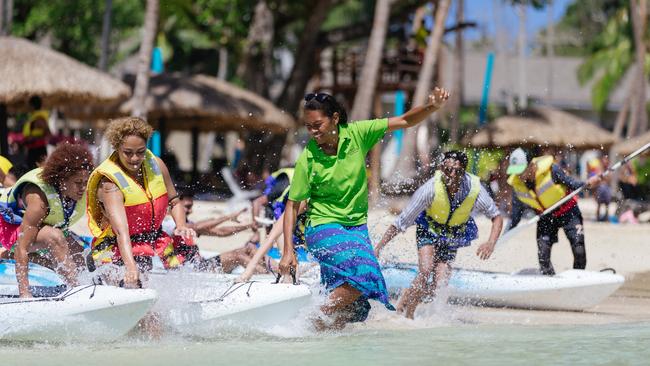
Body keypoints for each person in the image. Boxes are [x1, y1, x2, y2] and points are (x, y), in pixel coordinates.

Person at [279, 88, 450, 330]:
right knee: (364, 275)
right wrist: (288, 251)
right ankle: (311, 318)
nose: (312, 131)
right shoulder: (308, 157)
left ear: (335, 118)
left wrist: (431, 107)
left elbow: (404, 120)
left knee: (353, 308)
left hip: (356, 229)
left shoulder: (358, 134)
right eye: (308, 126)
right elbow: (293, 204)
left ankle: (316, 339)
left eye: (317, 124)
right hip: (321, 227)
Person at [374, 151, 503, 319]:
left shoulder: (475, 189)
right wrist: (379, 247)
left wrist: (491, 243)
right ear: (442, 168)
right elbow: (402, 221)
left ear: (464, 171)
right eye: (448, 169)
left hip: (452, 235)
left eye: (457, 171)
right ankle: (408, 315)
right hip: (429, 228)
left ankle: (408, 295)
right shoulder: (429, 189)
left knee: (439, 285)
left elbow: (497, 216)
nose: (452, 175)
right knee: (425, 270)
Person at [86, 117, 194, 288]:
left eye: (141, 152)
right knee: (134, 287)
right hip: (115, 251)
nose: (135, 158)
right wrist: (130, 268)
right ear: (117, 148)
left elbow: (174, 201)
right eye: (127, 152)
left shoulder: (157, 165)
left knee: (154, 287)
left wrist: (181, 225)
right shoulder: (110, 184)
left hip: (147, 244)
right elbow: (122, 233)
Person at [0, 143, 94, 297]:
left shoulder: (76, 190)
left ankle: (85, 287)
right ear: (62, 179)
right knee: (55, 237)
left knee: (78, 251)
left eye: (85, 182)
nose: (83, 188)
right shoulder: (39, 199)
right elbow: (22, 247)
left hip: (39, 225)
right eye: (78, 183)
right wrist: (25, 293)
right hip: (7, 227)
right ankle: (77, 291)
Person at [505, 148, 601, 275]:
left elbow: (572, 183)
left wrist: (587, 184)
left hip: (569, 212)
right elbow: (514, 218)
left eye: (521, 171)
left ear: (532, 166)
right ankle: (550, 280)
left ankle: (578, 278)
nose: (519, 176)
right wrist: (501, 237)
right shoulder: (518, 187)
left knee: (579, 250)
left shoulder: (552, 170)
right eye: (515, 172)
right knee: (543, 257)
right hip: (546, 218)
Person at [162, 192, 266, 273]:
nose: (190, 211)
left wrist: (248, 225)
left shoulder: (187, 223)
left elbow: (220, 232)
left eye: (191, 207)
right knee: (238, 256)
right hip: (187, 270)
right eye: (187, 207)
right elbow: (197, 226)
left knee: (248, 249)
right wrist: (228, 217)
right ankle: (267, 277)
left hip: (200, 265)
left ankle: (276, 271)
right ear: (175, 207)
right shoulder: (168, 223)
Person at [23, 97, 52, 169]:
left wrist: (34, 138)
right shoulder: (34, 117)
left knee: (37, 171)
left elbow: (48, 133)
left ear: (32, 106)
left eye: (29, 106)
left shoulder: (39, 118)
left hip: (38, 150)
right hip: (33, 149)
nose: (28, 108)